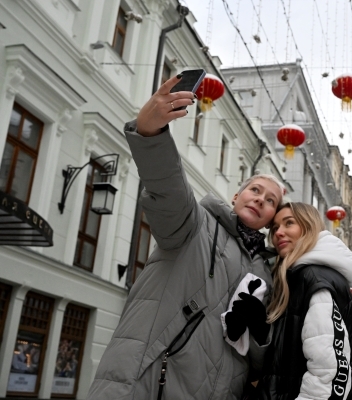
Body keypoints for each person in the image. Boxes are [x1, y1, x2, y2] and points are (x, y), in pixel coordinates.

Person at [87, 74, 285, 400]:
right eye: (255, 190)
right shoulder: (197, 225)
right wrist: (151, 134)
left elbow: (261, 361)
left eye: (270, 200)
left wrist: (260, 333)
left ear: (270, 219)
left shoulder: (268, 272)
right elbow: (168, 189)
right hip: (148, 384)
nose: (261, 199)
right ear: (236, 195)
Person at [250, 202, 352, 399]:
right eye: (275, 228)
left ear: (309, 226)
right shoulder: (296, 278)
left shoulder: (315, 278)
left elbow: (328, 375)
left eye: (289, 223)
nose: (279, 232)